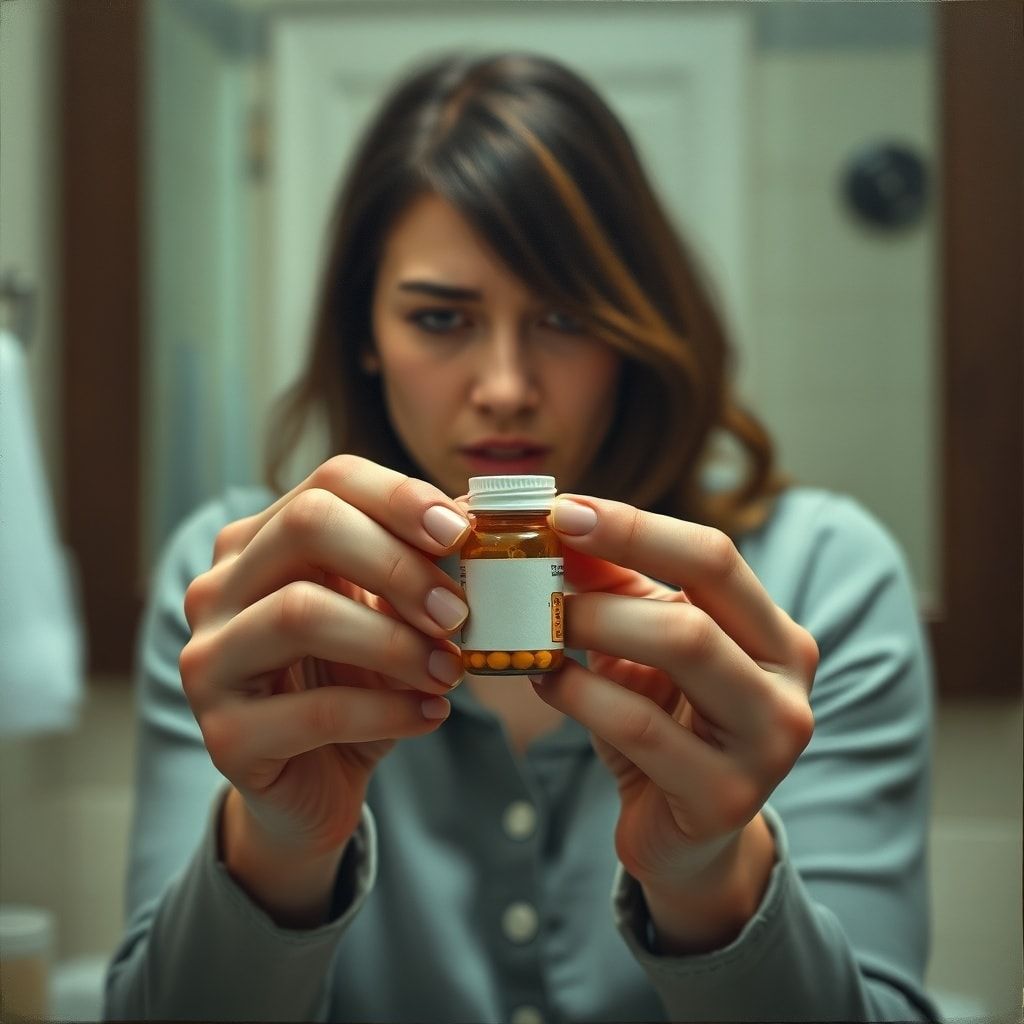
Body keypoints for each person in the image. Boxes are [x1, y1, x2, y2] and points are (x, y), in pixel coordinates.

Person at [105, 52, 939, 1023]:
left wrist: (715, 874)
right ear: (365, 331)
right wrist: (276, 848)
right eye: (440, 318)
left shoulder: (823, 579)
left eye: (562, 315)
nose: (504, 383)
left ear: (636, 325)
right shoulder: (248, 590)